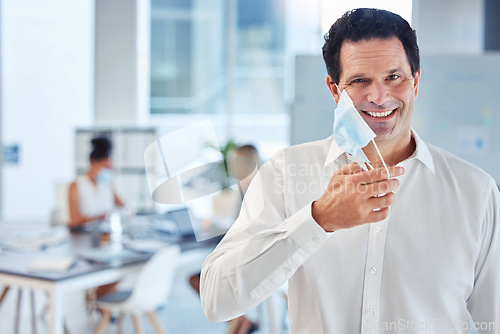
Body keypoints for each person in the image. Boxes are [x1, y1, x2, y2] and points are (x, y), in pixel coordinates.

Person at [200, 8, 500, 334]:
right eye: (360, 80)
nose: (379, 96)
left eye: (394, 77)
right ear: (334, 90)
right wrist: (317, 220)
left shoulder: (475, 191)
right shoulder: (286, 173)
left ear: (416, 82)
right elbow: (217, 300)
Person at [190, 144, 261, 334]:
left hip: (250, 259)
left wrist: (212, 226)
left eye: (234, 161)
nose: (231, 166)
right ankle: (240, 319)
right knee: (204, 275)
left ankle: (239, 320)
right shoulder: (250, 186)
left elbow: (246, 230)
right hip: (247, 255)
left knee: (203, 278)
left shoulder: (252, 190)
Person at [68, 137, 124, 229]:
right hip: (82, 237)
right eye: (105, 167)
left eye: (110, 168)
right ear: (93, 163)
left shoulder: (108, 184)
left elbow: (123, 206)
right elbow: (74, 221)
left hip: (104, 235)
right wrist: (100, 217)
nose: (108, 171)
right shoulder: (76, 185)